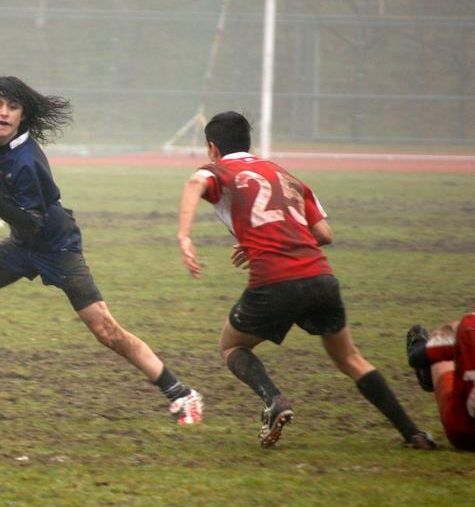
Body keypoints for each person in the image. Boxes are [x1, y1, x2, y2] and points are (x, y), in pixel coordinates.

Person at [0, 76, 203, 424]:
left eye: (12, 106)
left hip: (58, 248)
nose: (3, 112)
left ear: (23, 115)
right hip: (21, 246)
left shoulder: (28, 159)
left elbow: (34, 223)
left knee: (106, 330)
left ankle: (183, 394)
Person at [176, 110, 435, 448]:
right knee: (350, 359)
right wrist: (265, 239)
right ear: (248, 143)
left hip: (275, 280)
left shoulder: (220, 170)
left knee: (231, 346)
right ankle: (413, 433)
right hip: (320, 277)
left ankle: (274, 400)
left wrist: (184, 237)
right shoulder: (285, 175)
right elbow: (324, 234)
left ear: (212, 148)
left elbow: (195, 182)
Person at [406, 314, 475, 451]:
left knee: (443, 338)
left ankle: (428, 375)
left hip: (464, 434)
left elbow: (415, 358)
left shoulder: (469, 327)